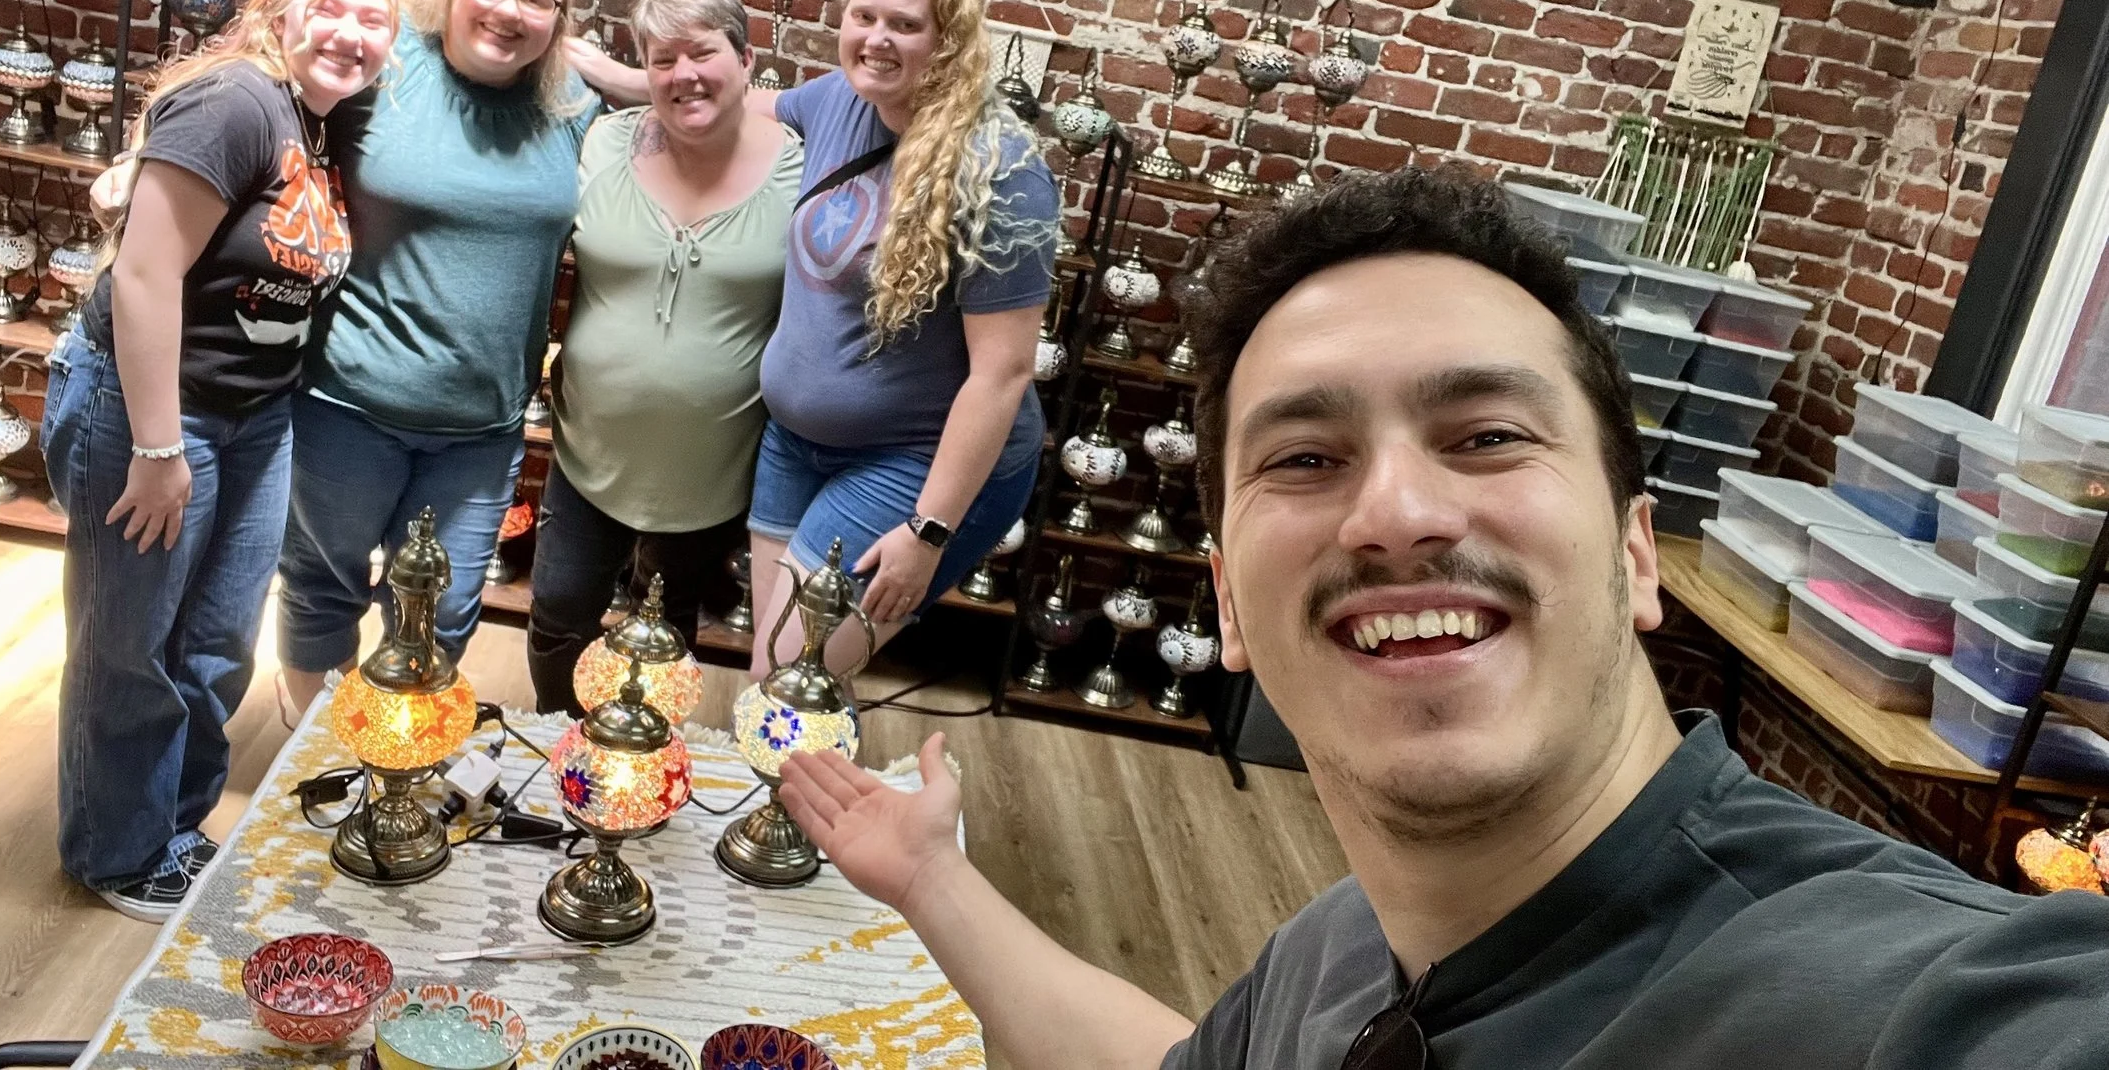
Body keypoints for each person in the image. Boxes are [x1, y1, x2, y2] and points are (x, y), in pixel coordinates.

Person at [779, 168, 2109, 1068]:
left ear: (1635, 552)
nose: (1398, 510)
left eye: (1484, 433)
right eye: (1305, 457)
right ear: (1230, 606)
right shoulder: (1344, 948)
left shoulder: (1905, 1002)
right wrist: (932, 876)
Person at [571, 0, 1057, 678]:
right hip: (794, 449)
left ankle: (817, 798)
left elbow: (1003, 375)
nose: (877, 38)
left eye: (905, 24)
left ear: (949, 39)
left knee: (787, 679)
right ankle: (791, 797)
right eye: (864, 16)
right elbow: (741, 96)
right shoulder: (839, 99)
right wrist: (619, 75)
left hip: (912, 464)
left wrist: (928, 533)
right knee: (792, 680)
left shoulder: (1000, 171)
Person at [42, 0, 397, 920]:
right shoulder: (237, 100)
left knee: (215, 639)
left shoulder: (316, 120)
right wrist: (158, 447)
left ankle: (172, 827)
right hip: (153, 413)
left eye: (373, 19)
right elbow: (147, 273)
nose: (351, 33)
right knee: (130, 641)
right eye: (329, 6)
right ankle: (114, 852)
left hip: (251, 417)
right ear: (281, 10)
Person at [276, 0, 600, 717]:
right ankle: (304, 763)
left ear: (559, 21)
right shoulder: (384, 66)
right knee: (322, 583)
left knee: (441, 612)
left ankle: (390, 766)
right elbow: (257, 92)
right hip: (346, 403)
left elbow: (699, 96)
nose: (509, 9)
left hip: (481, 428)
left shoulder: (574, 105)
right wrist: (146, 161)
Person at [526, 0, 800, 715]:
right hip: (590, 448)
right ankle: (564, 755)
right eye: (661, 58)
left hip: (712, 463)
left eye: (703, 52)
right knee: (558, 610)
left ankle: (640, 767)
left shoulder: (800, 168)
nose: (684, 74)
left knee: (666, 627)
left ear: (747, 59)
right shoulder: (604, 142)